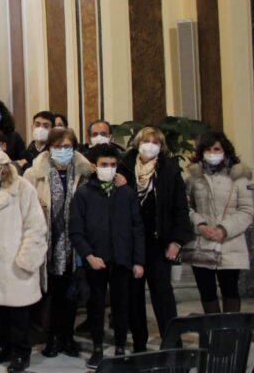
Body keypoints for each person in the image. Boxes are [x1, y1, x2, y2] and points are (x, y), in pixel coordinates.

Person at [0, 149, 47, 373]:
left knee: (19, 315)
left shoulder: (23, 188)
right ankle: (3, 348)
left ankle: (21, 353)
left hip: (15, 261)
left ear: (4, 168)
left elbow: (35, 226)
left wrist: (26, 258)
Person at [70, 144, 145, 368]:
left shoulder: (126, 192)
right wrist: (88, 255)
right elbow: (76, 230)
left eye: (113, 165)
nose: (109, 169)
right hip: (96, 259)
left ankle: (121, 345)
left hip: (122, 258)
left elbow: (137, 228)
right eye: (104, 165)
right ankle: (97, 347)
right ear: (94, 166)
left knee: (122, 304)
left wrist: (138, 260)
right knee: (96, 305)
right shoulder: (83, 194)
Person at [119, 127, 192, 350]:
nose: (150, 145)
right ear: (137, 143)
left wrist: (177, 241)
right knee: (134, 297)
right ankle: (139, 345)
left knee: (163, 295)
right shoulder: (123, 168)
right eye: (146, 140)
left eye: (155, 142)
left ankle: (172, 345)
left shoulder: (169, 171)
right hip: (131, 244)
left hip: (159, 243)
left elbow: (181, 209)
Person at [23, 127, 92, 358]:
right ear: (50, 148)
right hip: (48, 241)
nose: (63, 151)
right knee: (53, 293)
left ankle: (68, 337)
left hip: (74, 242)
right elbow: (26, 207)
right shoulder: (34, 174)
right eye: (57, 147)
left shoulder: (84, 172)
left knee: (71, 293)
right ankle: (52, 336)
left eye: (67, 147)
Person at [184, 131, 253, 313]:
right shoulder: (194, 178)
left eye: (217, 149)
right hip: (202, 242)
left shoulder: (239, 177)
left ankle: (230, 335)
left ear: (225, 151)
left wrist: (224, 229)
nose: (213, 152)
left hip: (229, 242)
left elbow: (246, 210)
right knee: (207, 293)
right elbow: (186, 207)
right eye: (208, 149)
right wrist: (200, 225)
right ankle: (212, 334)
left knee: (230, 291)